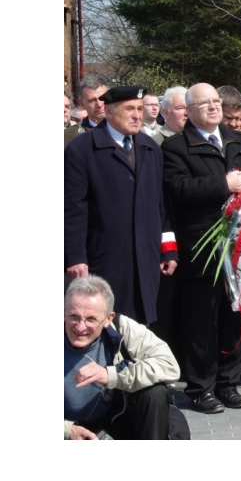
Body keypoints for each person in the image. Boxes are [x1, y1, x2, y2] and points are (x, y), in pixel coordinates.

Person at [161, 83, 241, 414]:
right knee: (201, 321)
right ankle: (200, 387)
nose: (212, 107)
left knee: (237, 316)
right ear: (189, 110)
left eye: (215, 102)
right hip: (203, 246)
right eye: (203, 103)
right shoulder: (176, 146)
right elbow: (178, 188)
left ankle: (229, 382)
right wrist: (223, 184)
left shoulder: (238, 140)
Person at [65, 85, 178, 324]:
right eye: (129, 109)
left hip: (146, 256)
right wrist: (75, 256)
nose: (137, 115)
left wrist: (168, 248)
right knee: (105, 321)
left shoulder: (150, 148)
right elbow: (73, 208)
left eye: (139, 108)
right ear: (109, 111)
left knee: (141, 326)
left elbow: (160, 203)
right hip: (105, 256)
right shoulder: (82, 149)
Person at [64, 275, 180, 440]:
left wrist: (111, 375)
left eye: (91, 319)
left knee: (154, 393)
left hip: (116, 420)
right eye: (74, 317)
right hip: (68, 427)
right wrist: (68, 430)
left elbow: (169, 365)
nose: (80, 327)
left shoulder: (122, 327)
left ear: (108, 318)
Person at [64, 75, 108, 146]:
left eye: (102, 99)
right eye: (92, 100)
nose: (99, 105)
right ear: (82, 103)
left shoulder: (125, 129)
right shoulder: (69, 136)